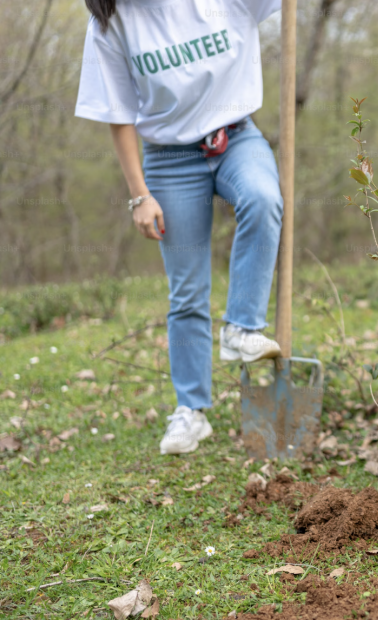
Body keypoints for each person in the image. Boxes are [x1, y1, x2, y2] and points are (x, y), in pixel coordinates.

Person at [75, 0, 286, 455]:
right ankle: (191, 411)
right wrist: (139, 194)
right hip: (169, 160)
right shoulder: (112, 19)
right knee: (187, 291)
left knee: (264, 198)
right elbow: (118, 113)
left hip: (236, 137)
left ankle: (241, 328)